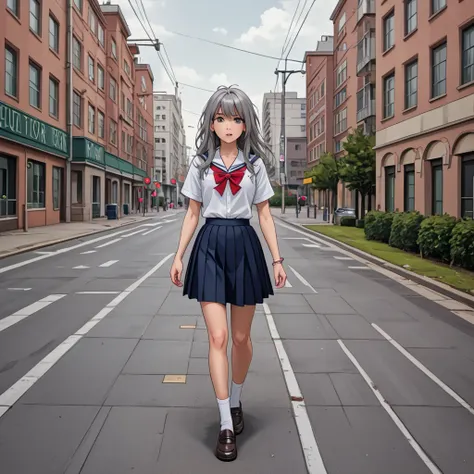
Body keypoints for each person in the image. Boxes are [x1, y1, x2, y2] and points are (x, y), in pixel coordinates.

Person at [169, 85, 287, 462]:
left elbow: (264, 214)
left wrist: (277, 259)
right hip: (209, 245)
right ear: (212, 123)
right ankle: (224, 424)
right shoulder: (200, 164)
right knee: (217, 336)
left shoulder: (255, 165)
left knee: (240, 337)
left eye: (236, 118)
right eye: (221, 118)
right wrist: (178, 255)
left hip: (244, 243)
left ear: (245, 123)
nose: (229, 125)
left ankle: (236, 400)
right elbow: (191, 213)